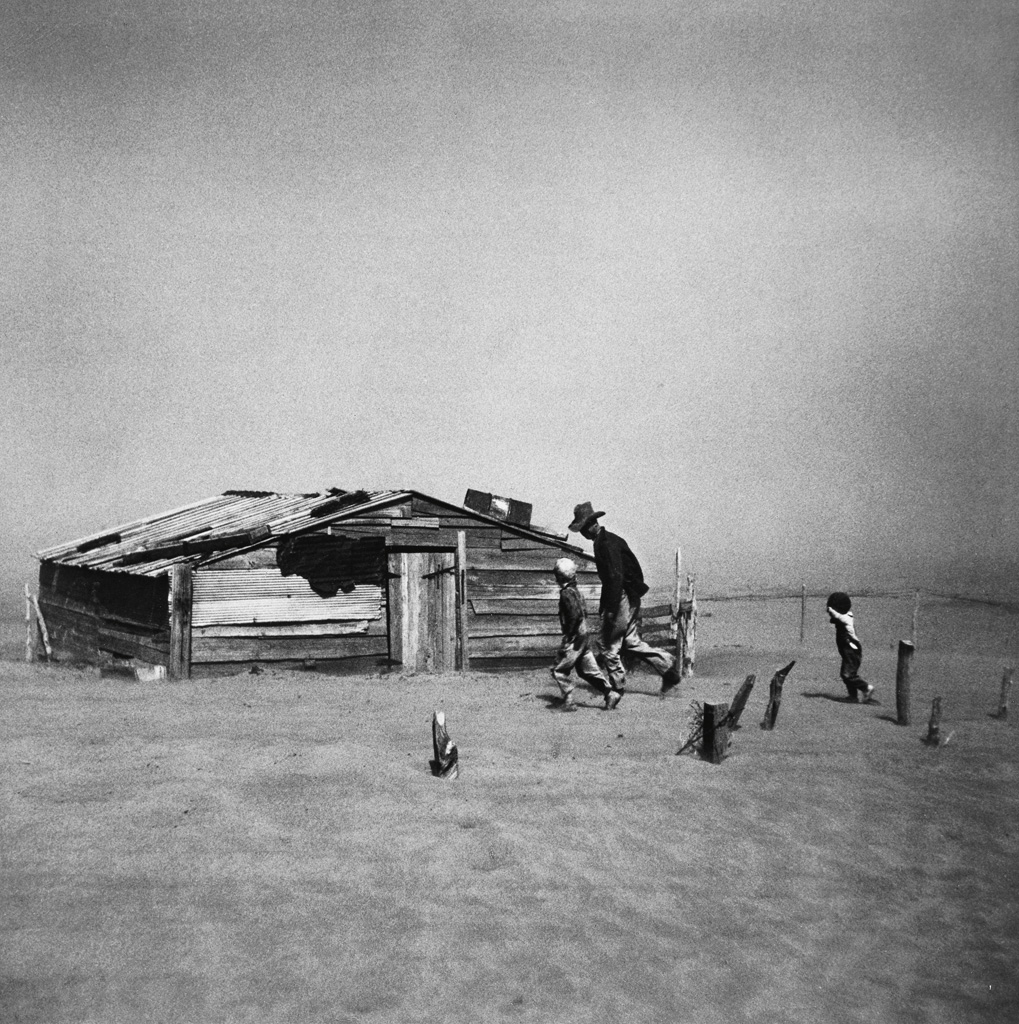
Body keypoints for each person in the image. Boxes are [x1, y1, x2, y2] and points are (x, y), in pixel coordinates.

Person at [568, 502, 681, 700]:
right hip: (627, 595)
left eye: (584, 528)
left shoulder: (607, 544)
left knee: (607, 645)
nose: (583, 533)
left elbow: (615, 577)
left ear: (593, 524)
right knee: (630, 642)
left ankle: (617, 689)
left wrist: (611, 610)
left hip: (621, 596)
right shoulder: (605, 541)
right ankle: (669, 669)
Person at [550, 557, 619, 710]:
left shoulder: (566, 593)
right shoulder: (577, 592)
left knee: (558, 669)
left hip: (575, 636)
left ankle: (568, 701)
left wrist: (569, 634)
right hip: (584, 633)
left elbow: (574, 615)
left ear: (558, 577)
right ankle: (610, 693)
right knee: (587, 670)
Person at [826, 592, 875, 703]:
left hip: (852, 650)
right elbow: (834, 618)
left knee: (847, 675)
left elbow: (837, 616)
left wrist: (830, 608)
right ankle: (853, 697)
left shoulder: (846, 618)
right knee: (849, 674)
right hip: (847, 651)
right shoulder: (844, 617)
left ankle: (867, 688)